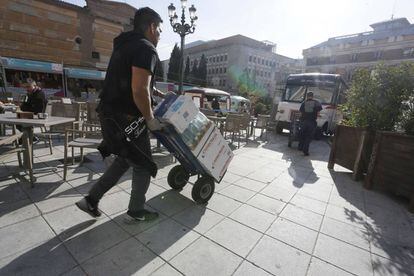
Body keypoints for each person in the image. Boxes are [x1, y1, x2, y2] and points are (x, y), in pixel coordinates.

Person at [76, 7, 165, 223]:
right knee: (144, 164)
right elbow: (138, 89)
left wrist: (158, 93)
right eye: (160, 30)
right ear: (152, 27)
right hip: (128, 118)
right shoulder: (147, 49)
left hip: (108, 113)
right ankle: (136, 212)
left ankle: (91, 199)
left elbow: (130, 80)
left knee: (125, 160)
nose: (160, 35)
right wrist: (151, 119)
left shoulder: (125, 45)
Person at [298, 91, 322, 156]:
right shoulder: (317, 103)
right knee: (308, 136)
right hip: (312, 122)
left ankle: (300, 147)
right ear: (312, 96)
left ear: (307, 96)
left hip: (304, 122)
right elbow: (318, 113)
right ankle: (305, 150)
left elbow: (300, 113)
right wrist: (317, 116)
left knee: (302, 134)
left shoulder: (304, 103)